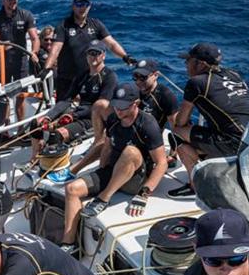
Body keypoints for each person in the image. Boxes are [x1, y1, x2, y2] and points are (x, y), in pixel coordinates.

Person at [60, 83, 168, 253]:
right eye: (116, 105)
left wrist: (144, 193)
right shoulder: (112, 120)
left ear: (136, 104)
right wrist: (100, 172)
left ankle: (104, 198)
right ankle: (69, 244)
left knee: (131, 152)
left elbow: (162, 162)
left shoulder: (147, 124)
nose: (118, 110)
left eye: (123, 106)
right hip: (113, 171)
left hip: (135, 179)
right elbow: (108, 148)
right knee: (72, 189)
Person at [168, 43, 249, 199]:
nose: (185, 65)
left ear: (200, 64)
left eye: (188, 61)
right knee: (201, 133)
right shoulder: (233, 74)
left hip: (234, 143)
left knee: (177, 134)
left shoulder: (197, 82)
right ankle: (210, 160)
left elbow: (181, 122)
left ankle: (195, 186)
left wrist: (183, 125)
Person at [34, 39, 118, 182]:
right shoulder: (83, 75)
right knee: (37, 124)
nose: (93, 57)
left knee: (57, 135)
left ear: (103, 55)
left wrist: (73, 115)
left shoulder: (109, 77)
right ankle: (35, 160)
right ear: (86, 56)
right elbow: (66, 100)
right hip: (77, 113)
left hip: (94, 120)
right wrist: (49, 116)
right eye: (91, 53)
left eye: (97, 53)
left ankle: (57, 168)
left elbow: (102, 106)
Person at [42, 0, 134, 102]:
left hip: (89, 79)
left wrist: (125, 57)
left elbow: (111, 43)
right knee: (62, 110)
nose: (82, 8)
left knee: (90, 110)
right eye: (79, 4)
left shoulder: (96, 24)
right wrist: (46, 68)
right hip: (67, 79)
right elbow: (55, 50)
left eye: (85, 5)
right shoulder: (63, 26)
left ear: (89, 6)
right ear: (73, 6)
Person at [0, 0, 40, 122]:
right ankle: (4, 129)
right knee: (3, 96)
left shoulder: (26, 15)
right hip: (3, 62)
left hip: (21, 62)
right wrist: (2, 44)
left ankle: (21, 129)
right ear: (3, 0)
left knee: (21, 96)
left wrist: (34, 53)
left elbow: (34, 37)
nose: (13, 1)